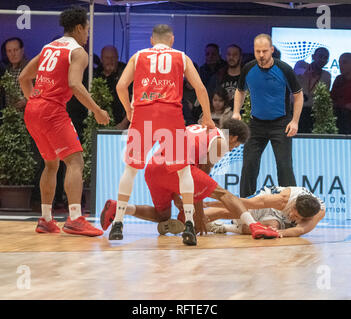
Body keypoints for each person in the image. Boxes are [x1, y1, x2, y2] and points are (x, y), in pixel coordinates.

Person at [111, 24, 215, 242]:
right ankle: (189, 224)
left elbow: (121, 86)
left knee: (130, 169)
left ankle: (118, 224)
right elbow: (201, 88)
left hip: (144, 112)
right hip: (170, 114)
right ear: (172, 39)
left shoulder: (138, 56)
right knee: (183, 171)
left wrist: (129, 110)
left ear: (151, 40)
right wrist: (207, 116)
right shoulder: (181, 56)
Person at [100, 119, 280, 244]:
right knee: (223, 193)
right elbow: (199, 183)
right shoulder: (221, 143)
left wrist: (183, 200)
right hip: (175, 168)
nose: (233, 149)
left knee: (162, 216)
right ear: (233, 138)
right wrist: (199, 215)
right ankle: (254, 226)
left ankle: (120, 209)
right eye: (236, 145)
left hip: (154, 166)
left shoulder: (202, 128)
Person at [19, 6, 110, 236]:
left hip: (33, 110)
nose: (87, 35)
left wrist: (35, 101)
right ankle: (76, 218)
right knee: (75, 162)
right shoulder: (78, 52)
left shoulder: (49, 47)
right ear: (79, 28)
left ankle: (46, 219)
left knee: (52, 164)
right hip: (52, 111)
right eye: (87, 30)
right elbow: (74, 84)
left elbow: (23, 77)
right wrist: (97, 110)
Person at [232, 33, 304, 198]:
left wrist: (295, 121)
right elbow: (240, 90)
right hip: (256, 124)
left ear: (272, 50)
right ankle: (245, 210)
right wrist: (236, 111)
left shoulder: (284, 69)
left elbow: (298, 95)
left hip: (281, 124)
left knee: (284, 166)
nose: (261, 55)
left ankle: (290, 209)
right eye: (258, 51)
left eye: (265, 51)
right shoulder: (248, 68)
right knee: (249, 165)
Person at [204, 186, 325, 238]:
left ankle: (224, 227)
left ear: (307, 217)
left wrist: (278, 232)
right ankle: (188, 221)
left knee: (269, 230)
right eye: (294, 212)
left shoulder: (317, 213)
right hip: (269, 205)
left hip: (278, 218)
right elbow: (245, 203)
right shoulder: (281, 200)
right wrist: (211, 203)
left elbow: (300, 230)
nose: (292, 216)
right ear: (293, 205)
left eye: (297, 217)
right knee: (230, 212)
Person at [94, 45, 129, 129]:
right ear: (101, 59)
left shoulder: (125, 71)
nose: (110, 61)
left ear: (117, 58)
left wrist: (124, 123)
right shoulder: (95, 73)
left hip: (122, 122)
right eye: (107, 58)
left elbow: (132, 100)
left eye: (113, 57)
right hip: (100, 122)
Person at [297, 47, 331, 133]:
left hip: (313, 111)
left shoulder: (326, 75)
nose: (322, 60)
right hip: (296, 109)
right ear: (313, 56)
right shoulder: (301, 65)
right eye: (320, 56)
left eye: (325, 58)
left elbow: (323, 95)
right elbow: (297, 78)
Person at [3, 37, 28, 111]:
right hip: (9, 117)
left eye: (16, 50)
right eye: (9, 51)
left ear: (22, 50)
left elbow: (42, 90)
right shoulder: (5, 70)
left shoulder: (31, 68)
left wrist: (26, 100)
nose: (13, 54)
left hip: (26, 117)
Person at [331, 53, 351, 134]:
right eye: (339, 63)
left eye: (344, 62)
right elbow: (332, 98)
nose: (341, 65)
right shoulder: (339, 79)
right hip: (339, 117)